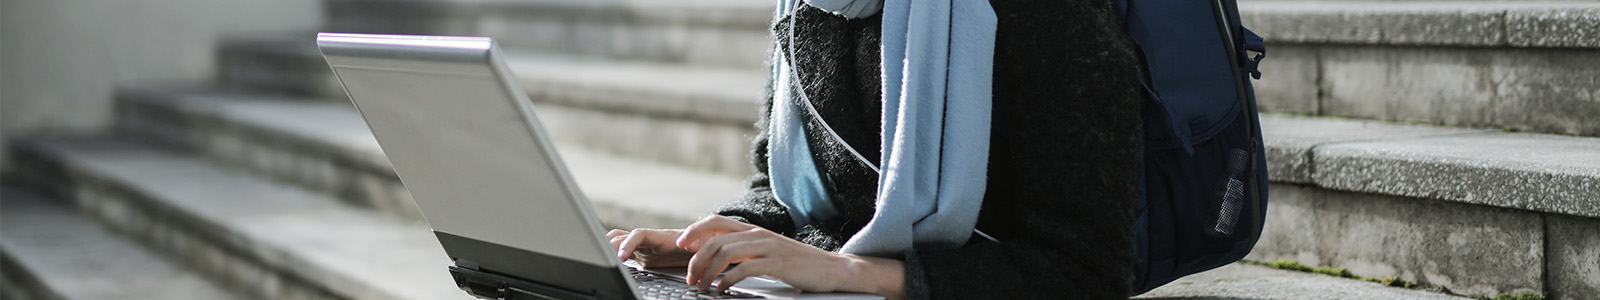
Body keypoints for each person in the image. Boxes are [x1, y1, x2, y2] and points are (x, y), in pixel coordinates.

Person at [607, 0, 1146, 298]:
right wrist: (707, 240)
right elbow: (783, 191)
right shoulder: (812, 8)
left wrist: (853, 273)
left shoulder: (1053, 18)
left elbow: (1089, 273)